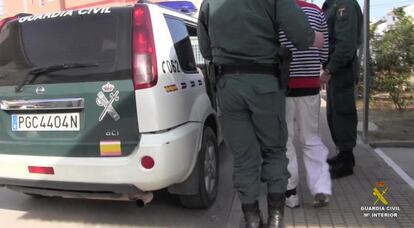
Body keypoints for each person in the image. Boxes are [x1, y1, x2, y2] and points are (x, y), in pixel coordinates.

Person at [198, 0, 324, 227]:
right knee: (275, 151)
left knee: (244, 158)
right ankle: (276, 220)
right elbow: (301, 36)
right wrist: (316, 38)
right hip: (265, 84)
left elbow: (206, 50)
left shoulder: (209, 2)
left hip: (228, 87)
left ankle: (252, 220)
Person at [279, 0, 331, 208]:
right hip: (310, 84)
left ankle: (290, 193)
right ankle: (321, 188)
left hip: (284, 86)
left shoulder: (277, 10)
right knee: (311, 138)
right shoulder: (317, 12)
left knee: (286, 140)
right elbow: (325, 50)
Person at [321, 0, 363, 179]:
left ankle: (347, 160)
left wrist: (330, 69)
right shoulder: (331, 5)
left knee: (343, 113)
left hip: (341, 69)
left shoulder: (344, 5)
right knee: (334, 114)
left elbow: (346, 44)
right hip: (336, 68)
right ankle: (342, 153)